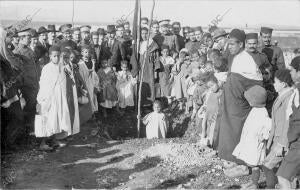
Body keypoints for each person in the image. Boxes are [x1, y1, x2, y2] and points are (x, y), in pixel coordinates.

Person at [217, 29, 263, 172]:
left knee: (235, 129)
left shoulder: (246, 59)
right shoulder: (238, 57)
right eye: (228, 44)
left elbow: (253, 84)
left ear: (241, 44)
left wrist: (231, 81)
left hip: (239, 104)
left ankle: (237, 162)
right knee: (228, 127)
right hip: (232, 101)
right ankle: (230, 158)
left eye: (231, 44)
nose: (228, 47)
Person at [35, 46, 79, 150]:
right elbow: (44, 84)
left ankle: (54, 139)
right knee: (48, 119)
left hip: (59, 98)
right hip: (49, 97)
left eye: (59, 56)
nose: (57, 58)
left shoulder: (62, 67)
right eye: (54, 56)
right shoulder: (47, 68)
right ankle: (43, 143)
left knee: (57, 119)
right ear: (50, 56)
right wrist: (42, 100)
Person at [231, 85, 271, 189]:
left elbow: (267, 127)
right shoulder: (255, 109)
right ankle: (253, 182)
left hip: (256, 143)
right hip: (250, 141)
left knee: (255, 164)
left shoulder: (262, 112)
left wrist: (262, 137)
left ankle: (255, 183)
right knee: (252, 164)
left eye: (249, 100)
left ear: (254, 101)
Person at [261, 69, 294, 188]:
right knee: (283, 171)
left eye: (276, 82)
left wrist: (282, 144)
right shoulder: (282, 96)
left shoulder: (289, 98)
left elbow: (288, 123)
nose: (274, 84)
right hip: (277, 138)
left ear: (284, 84)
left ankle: (271, 186)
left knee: (267, 166)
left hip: (282, 141)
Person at [276, 56, 300, 189]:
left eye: (292, 70)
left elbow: (297, 119)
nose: (290, 73)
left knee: (283, 177)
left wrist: (290, 138)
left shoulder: (299, 91)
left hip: (298, 143)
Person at [13, 28, 41, 137]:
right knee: (27, 108)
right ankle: (25, 133)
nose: (30, 40)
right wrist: (22, 85)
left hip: (34, 84)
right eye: (28, 38)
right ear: (21, 39)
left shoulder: (29, 50)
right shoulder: (17, 52)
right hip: (26, 86)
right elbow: (17, 71)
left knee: (32, 107)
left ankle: (30, 131)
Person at [133, 27, 160, 103]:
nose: (144, 35)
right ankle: (142, 103)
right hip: (141, 68)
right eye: (142, 33)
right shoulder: (139, 44)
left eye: (146, 33)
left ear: (149, 34)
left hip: (150, 68)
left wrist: (155, 71)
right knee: (142, 85)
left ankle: (151, 103)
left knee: (150, 85)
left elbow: (157, 58)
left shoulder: (153, 44)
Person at [200, 74, 223, 147]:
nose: (211, 88)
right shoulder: (210, 93)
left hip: (215, 116)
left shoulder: (220, 93)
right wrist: (204, 107)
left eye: (212, 85)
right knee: (207, 128)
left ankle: (214, 145)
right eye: (209, 87)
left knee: (214, 130)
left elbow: (221, 105)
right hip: (208, 114)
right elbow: (207, 102)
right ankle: (208, 142)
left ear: (217, 82)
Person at [78, 45, 99, 113]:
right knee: (86, 96)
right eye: (86, 52)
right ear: (82, 53)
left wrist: (96, 84)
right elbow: (81, 73)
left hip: (91, 82)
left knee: (92, 96)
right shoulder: (80, 63)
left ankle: (92, 111)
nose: (87, 54)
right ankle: (86, 112)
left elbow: (94, 73)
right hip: (85, 82)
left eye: (89, 52)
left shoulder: (91, 62)